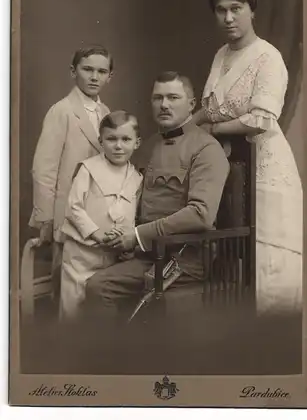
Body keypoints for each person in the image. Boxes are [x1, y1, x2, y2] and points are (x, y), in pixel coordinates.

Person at [192, 0, 303, 314]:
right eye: (221, 10)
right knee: (230, 253)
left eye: (236, 9)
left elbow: (262, 119)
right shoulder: (221, 54)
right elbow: (211, 108)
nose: (228, 18)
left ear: (252, 10)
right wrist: (185, 125)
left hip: (262, 161)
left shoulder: (268, 57)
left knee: (266, 258)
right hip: (229, 164)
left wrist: (209, 128)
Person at [85, 71, 229, 316]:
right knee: (90, 279)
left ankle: (109, 353)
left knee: (100, 287)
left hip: (184, 259)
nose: (164, 105)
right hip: (145, 254)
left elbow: (201, 214)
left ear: (191, 105)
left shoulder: (206, 149)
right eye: (157, 98)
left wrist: (139, 235)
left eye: (173, 97)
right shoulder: (148, 145)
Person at [29, 45, 112, 296]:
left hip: (96, 213)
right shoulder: (62, 111)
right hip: (66, 213)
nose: (94, 77)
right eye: (87, 69)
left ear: (110, 76)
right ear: (73, 71)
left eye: (101, 71)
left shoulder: (107, 113)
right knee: (64, 284)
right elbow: (44, 169)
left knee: (92, 283)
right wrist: (45, 219)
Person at [59, 111, 143, 319]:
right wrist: (96, 233)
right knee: (74, 307)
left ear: (137, 143)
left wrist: (124, 237)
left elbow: (133, 214)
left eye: (125, 139)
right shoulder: (88, 169)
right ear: (100, 141)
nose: (118, 146)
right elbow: (73, 207)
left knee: (100, 307)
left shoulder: (137, 177)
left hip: (113, 255)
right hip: (82, 254)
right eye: (111, 139)